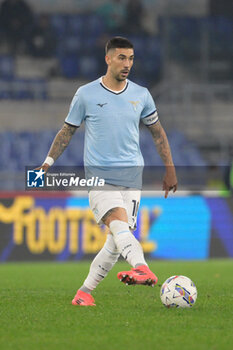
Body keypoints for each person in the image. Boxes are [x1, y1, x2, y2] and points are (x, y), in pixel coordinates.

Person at [37, 37, 177, 306]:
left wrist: (170, 169)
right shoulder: (86, 94)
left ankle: (84, 293)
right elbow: (67, 131)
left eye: (131, 58)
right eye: (122, 58)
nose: (127, 64)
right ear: (108, 59)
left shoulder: (141, 95)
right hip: (100, 179)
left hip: (132, 177)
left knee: (116, 242)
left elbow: (158, 133)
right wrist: (47, 164)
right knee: (120, 227)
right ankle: (142, 267)